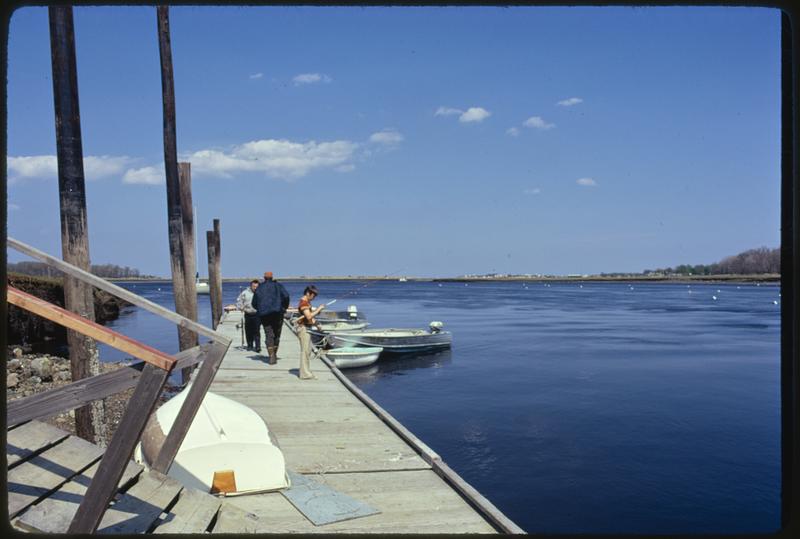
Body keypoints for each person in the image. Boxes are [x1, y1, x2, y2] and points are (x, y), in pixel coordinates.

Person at [251, 271, 290, 365]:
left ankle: (272, 355)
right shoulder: (278, 286)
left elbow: (254, 303)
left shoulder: (260, 287)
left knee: (268, 333)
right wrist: (284, 307)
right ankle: (273, 354)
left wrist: (260, 308)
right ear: (272, 278)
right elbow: (286, 296)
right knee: (277, 333)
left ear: (264, 278)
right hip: (277, 313)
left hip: (264, 314)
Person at [295, 285, 325, 380]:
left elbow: (310, 318)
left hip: (306, 327)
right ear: (308, 293)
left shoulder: (307, 302)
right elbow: (308, 316)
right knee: (304, 351)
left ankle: (306, 371)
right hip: (303, 328)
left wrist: (316, 324)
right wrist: (318, 309)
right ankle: (304, 374)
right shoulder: (303, 303)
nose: (314, 298)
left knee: (308, 351)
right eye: (313, 295)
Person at [236, 279, 261, 352]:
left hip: (257, 314)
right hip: (248, 314)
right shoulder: (245, 293)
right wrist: (241, 308)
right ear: (251, 286)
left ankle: (257, 346)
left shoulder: (260, 293)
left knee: (256, 330)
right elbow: (239, 302)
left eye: (257, 286)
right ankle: (250, 345)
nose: (255, 288)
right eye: (254, 286)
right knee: (248, 330)